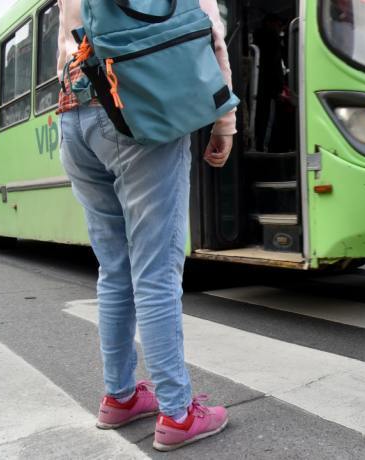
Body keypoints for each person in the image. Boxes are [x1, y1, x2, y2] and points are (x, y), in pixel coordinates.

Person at [56, 0, 236, 451]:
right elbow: (209, 36)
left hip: (74, 115)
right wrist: (224, 121)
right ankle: (177, 414)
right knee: (155, 271)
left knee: (114, 269)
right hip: (138, 112)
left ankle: (119, 397)